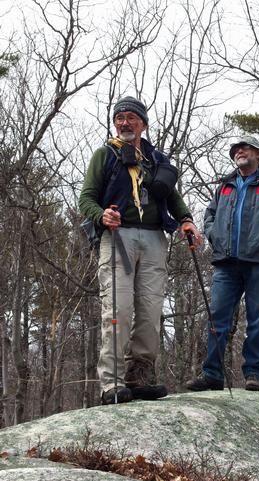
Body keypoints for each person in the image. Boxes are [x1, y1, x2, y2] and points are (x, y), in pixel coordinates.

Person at [79, 96, 202, 404]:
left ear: (143, 124)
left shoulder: (156, 159)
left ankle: (138, 377)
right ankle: (112, 383)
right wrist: (101, 215)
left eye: (131, 118)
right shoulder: (104, 155)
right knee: (117, 310)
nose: (124, 123)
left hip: (154, 239)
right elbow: (87, 199)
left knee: (149, 311)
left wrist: (186, 220)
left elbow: (171, 197)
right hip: (117, 238)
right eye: (119, 118)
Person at [186, 136, 259, 392]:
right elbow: (210, 215)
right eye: (235, 150)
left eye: (245, 148)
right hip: (226, 262)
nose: (239, 152)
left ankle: (254, 373)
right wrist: (213, 234)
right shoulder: (225, 185)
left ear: (258, 154)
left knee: (258, 319)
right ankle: (212, 374)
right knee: (217, 318)